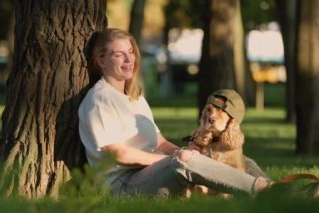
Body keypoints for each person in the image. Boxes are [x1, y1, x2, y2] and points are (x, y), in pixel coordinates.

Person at [78, 28, 271, 197]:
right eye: (119, 54)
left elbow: (160, 142)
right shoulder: (98, 100)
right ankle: (259, 190)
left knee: (232, 156)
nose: (129, 59)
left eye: (131, 52)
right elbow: (118, 153)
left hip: (151, 170)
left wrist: (185, 151)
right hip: (122, 184)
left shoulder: (135, 98)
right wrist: (175, 159)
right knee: (185, 159)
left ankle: (280, 189)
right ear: (101, 60)